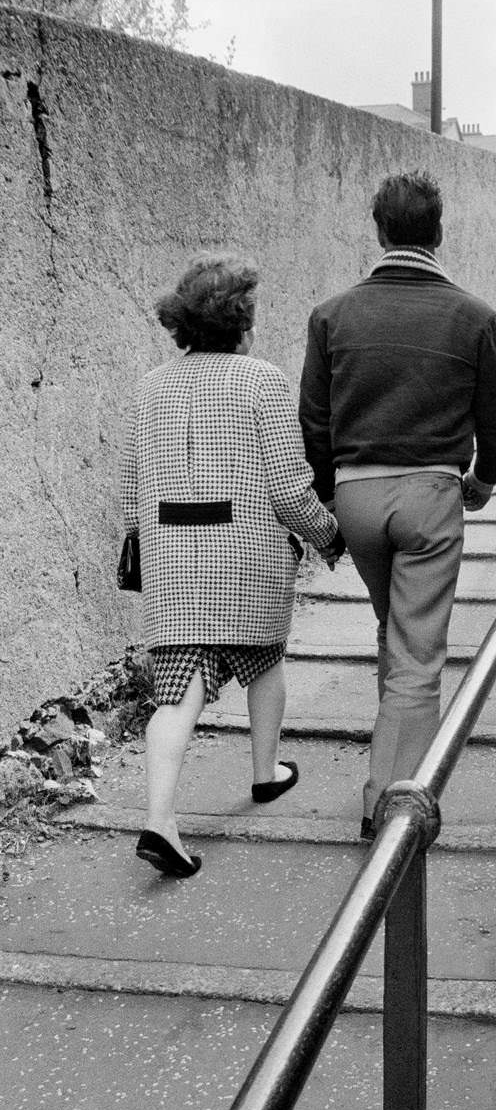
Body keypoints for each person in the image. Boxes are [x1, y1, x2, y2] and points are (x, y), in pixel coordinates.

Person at [299, 171, 496, 841]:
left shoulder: (332, 316)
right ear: (438, 233)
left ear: (379, 230)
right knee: (419, 653)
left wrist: (330, 501)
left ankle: (389, 775)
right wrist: (482, 481)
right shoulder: (475, 317)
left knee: (393, 630)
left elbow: (312, 422)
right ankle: (391, 804)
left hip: (358, 496)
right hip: (428, 494)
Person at [121, 252, 341, 878]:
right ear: (243, 319)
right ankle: (265, 773)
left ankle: (161, 820)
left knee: (177, 691)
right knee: (266, 656)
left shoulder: (150, 385)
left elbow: (129, 481)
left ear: (181, 322)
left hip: (171, 555)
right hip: (245, 551)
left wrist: (141, 543)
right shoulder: (262, 380)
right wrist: (325, 535)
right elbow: (288, 485)